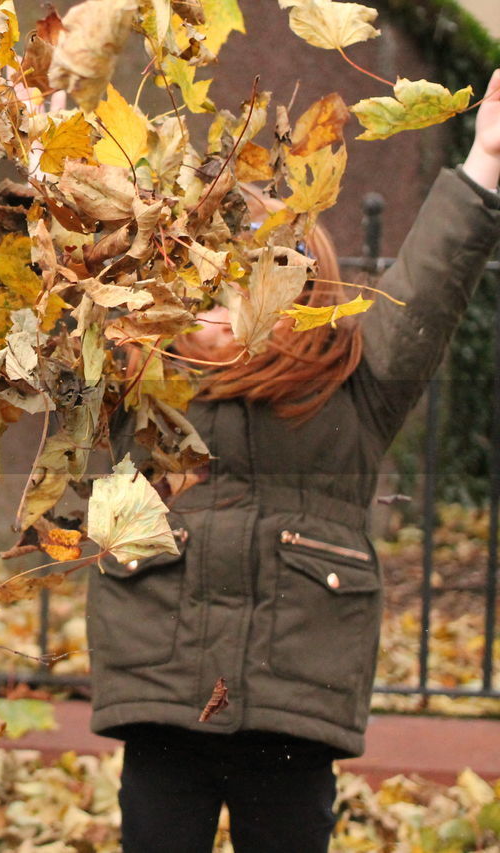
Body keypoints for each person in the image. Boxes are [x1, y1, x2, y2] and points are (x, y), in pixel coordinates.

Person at [86, 70, 500, 852]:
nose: (213, 302)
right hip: (165, 702)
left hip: (291, 711)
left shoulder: (350, 389)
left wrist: (486, 162)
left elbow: (429, 289)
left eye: (243, 281)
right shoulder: (138, 383)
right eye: (194, 283)